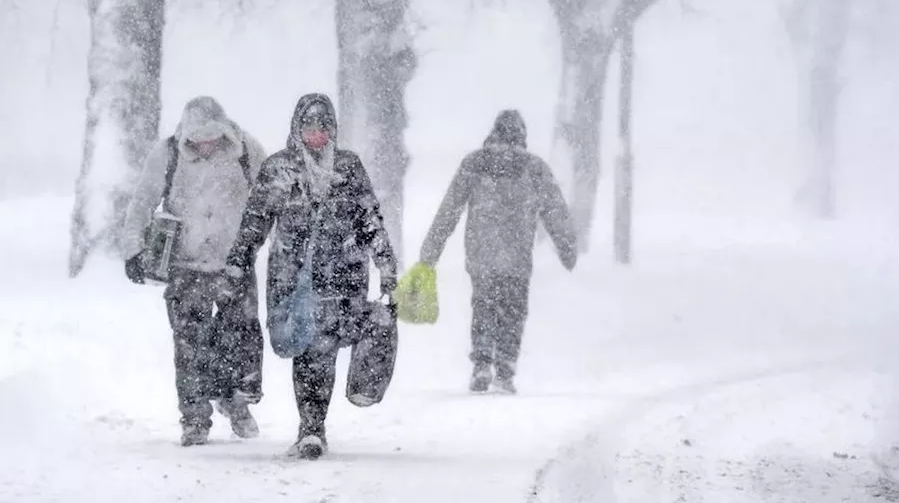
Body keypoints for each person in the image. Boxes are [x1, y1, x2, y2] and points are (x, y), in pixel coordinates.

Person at [223, 93, 398, 459]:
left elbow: (369, 220)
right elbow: (255, 221)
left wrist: (386, 265)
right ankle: (312, 427)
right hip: (295, 280)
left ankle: (331, 412)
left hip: (345, 277)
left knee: (339, 341)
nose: (317, 134)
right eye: (310, 127)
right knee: (313, 351)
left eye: (324, 127)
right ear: (296, 129)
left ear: (333, 130)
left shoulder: (348, 168)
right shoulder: (279, 169)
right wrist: (238, 260)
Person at [120, 96, 267, 447]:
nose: (205, 146)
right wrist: (133, 249)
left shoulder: (247, 151)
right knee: (189, 344)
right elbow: (142, 200)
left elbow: (269, 201)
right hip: (185, 266)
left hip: (235, 264)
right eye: (197, 140)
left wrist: (282, 247)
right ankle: (195, 416)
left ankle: (235, 400)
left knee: (240, 338)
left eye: (212, 138)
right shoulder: (168, 154)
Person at [414, 110, 577, 394]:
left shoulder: (476, 163)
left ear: (494, 132)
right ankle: (505, 367)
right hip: (516, 254)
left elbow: (449, 210)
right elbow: (555, 211)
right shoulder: (534, 167)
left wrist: (431, 251)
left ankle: (481, 361)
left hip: (482, 253)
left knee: (484, 305)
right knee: (514, 309)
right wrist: (567, 247)